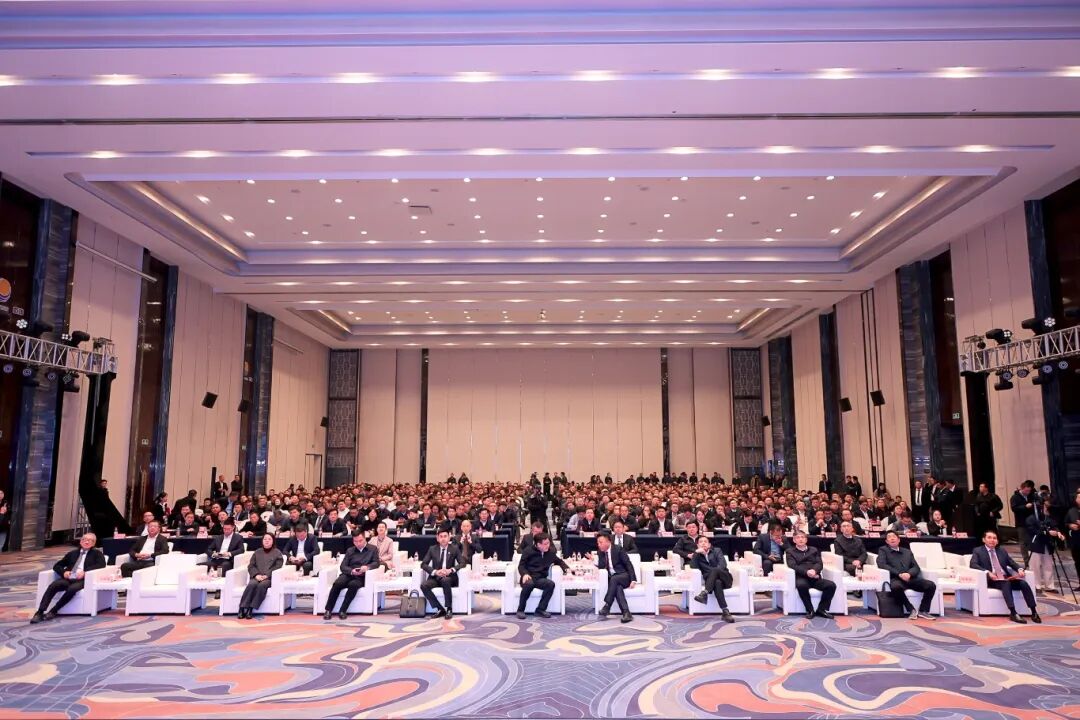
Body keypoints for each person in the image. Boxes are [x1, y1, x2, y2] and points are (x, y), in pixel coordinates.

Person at [31, 533, 105, 623]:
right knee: (54, 585)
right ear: (80, 541)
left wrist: (85, 572)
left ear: (93, 543)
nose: (86, 542)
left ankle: (54, 611)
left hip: (83, 580)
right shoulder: (72, 553)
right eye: (84, 539)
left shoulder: (97, 554)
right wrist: (64, 572)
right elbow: (57, 565)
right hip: (69, 578)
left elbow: (101, 565)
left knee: (72, 589)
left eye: (90, 540)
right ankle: (40, 612)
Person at [969, 530, 1040, 624]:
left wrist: (1019, 569)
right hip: (993, 580)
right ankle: (1013, 613)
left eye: (994, 538)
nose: (992, 540)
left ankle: (1034, 611)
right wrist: (987, 572)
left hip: (1006, 578)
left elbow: (1011, 562)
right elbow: (973, 564)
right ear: (983, 540)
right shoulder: (978, 551)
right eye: (989, 538)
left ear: (997, 541)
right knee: (1006, 584)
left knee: (1023, 583)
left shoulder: (1001, 551)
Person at [876, 530, 937, 620]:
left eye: (894, 537)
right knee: (896, 587)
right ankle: (911, 609)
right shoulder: (883, 550)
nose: (892, 538)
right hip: (896, 578)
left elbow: (916, 567)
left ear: (899, 539)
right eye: (889, 537)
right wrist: (899, 574)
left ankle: (923, 610)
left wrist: (909, 574)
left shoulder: (907, 552)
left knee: (931, 585)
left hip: (910, 578)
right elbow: (882, 564)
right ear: (886, 541)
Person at [323, 532, 379, 620]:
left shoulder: (373, 549)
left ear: (365, 539)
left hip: (362, 576)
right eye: (355, 541)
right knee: (337, 583)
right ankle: (328, 610)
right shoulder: (350, 550)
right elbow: (343, 566)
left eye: (360, 541)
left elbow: (376, 563)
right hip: (349, 574)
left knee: (353, 585)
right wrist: (351, 571)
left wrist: (367, 567)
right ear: (353, 541)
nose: (358, 543)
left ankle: (343, 610)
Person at [515, 533, 569, 619]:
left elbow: (559, 561)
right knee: (529, 584)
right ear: (538, 544)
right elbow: (521, 566)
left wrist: (566, 569)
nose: (548, 545)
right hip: (528, 576)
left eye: (548, 543)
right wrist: (524, 574)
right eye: (545, 544)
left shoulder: (550, 552)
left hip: (540, 578)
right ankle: (520, 610)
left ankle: (540, 609)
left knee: (550, 584)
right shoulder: (528, 551)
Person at [786, 530, 837, 619]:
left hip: (815, 577)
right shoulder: (790, 551)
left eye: (803, 537)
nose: (800, 539)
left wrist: (814, 571)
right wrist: (807, 572)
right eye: (798, 537)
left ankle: (821, 609)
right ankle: (810, 610)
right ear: (794, 540)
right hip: (801, 577)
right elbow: (792, 565)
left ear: (806, 539)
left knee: (831, 585)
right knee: (802, 586)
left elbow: (819, 563)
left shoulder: (814, 550)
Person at [420, 530, 465, 618]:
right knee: (424, 585)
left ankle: (449, 609)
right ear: (437, 538)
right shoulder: (432, 549)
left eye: (445, 536)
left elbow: (462, 563)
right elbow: (423, 564)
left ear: (449, 537)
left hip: (449, 577)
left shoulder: (454, 548)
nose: (443, 539)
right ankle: (440, 609)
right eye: (441, 537)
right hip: (436, 577)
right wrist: (435, 572)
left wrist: (451, 570)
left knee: (445, 580)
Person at [690, 535, 735, 622]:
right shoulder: (697, 555)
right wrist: (696, 553)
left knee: (715, 570)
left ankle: (705, 592)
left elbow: (722, 565)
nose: (703, 543)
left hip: (725, 578)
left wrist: (713, 572)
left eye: (705, 541)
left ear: (709, 544)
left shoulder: (717, 551)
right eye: (701, 542)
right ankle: (725, 612)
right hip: (713, 583)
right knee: (717, 583)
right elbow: (693, 567)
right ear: (698, 545)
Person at [592, 533, 635, 623]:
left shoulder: (618, 549)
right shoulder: (600, 552)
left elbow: (628, 564)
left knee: (614, 579)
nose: (598, 545)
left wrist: (633, 579)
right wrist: (595, 561)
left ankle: (607, 605)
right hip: (613, 580)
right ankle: (626, 613)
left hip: (624, 576)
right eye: (598, 543)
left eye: (600, 542)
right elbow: (602, 566)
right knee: (618, 588)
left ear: (608, 542)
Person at [237, 534, 283, 619]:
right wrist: (256, 575)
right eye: (265, 539)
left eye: (269, 539)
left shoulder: (277, 553)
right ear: (262, 541)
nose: (267, 541)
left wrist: (267, 575)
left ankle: (250, 608)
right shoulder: (257, 552)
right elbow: (251, 566)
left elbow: (278, 567)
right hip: (256, 576)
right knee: (251, 584)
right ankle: (242, 607)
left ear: (273, 541)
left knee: (262, 586)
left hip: (268, 578)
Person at [1026, 497, 1065, 593]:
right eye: (1045, 507)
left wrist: (1058, 532)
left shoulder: (1048, 518)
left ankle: (1049, 586)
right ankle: (1036, 585)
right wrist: (1047, 532)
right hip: (1035, 545)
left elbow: (1054, 526)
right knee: (1034, 566)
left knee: (1048, 566)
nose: (1047, 509)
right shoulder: (1031, 518)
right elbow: (1033, 531)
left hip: (1047, 545)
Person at [1010, 481, 1037, 565]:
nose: (1028, 492)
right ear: (1022, 488)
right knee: (1023, 542)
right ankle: (1027, 561)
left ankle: (1034, 560)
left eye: (1029, 490)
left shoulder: (1031, 496)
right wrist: (1025, 506)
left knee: (1032, 541)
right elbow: (1014, 508)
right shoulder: (1015, 497)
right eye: (1026, 490)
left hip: (1031, 522)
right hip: (1021, 523)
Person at [1066, 490, 1080, 592]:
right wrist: (1070, 525)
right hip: (1076, 541)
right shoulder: (1071, 511)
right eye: (1079, 498)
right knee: (1078, 563)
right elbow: (1065, 523)